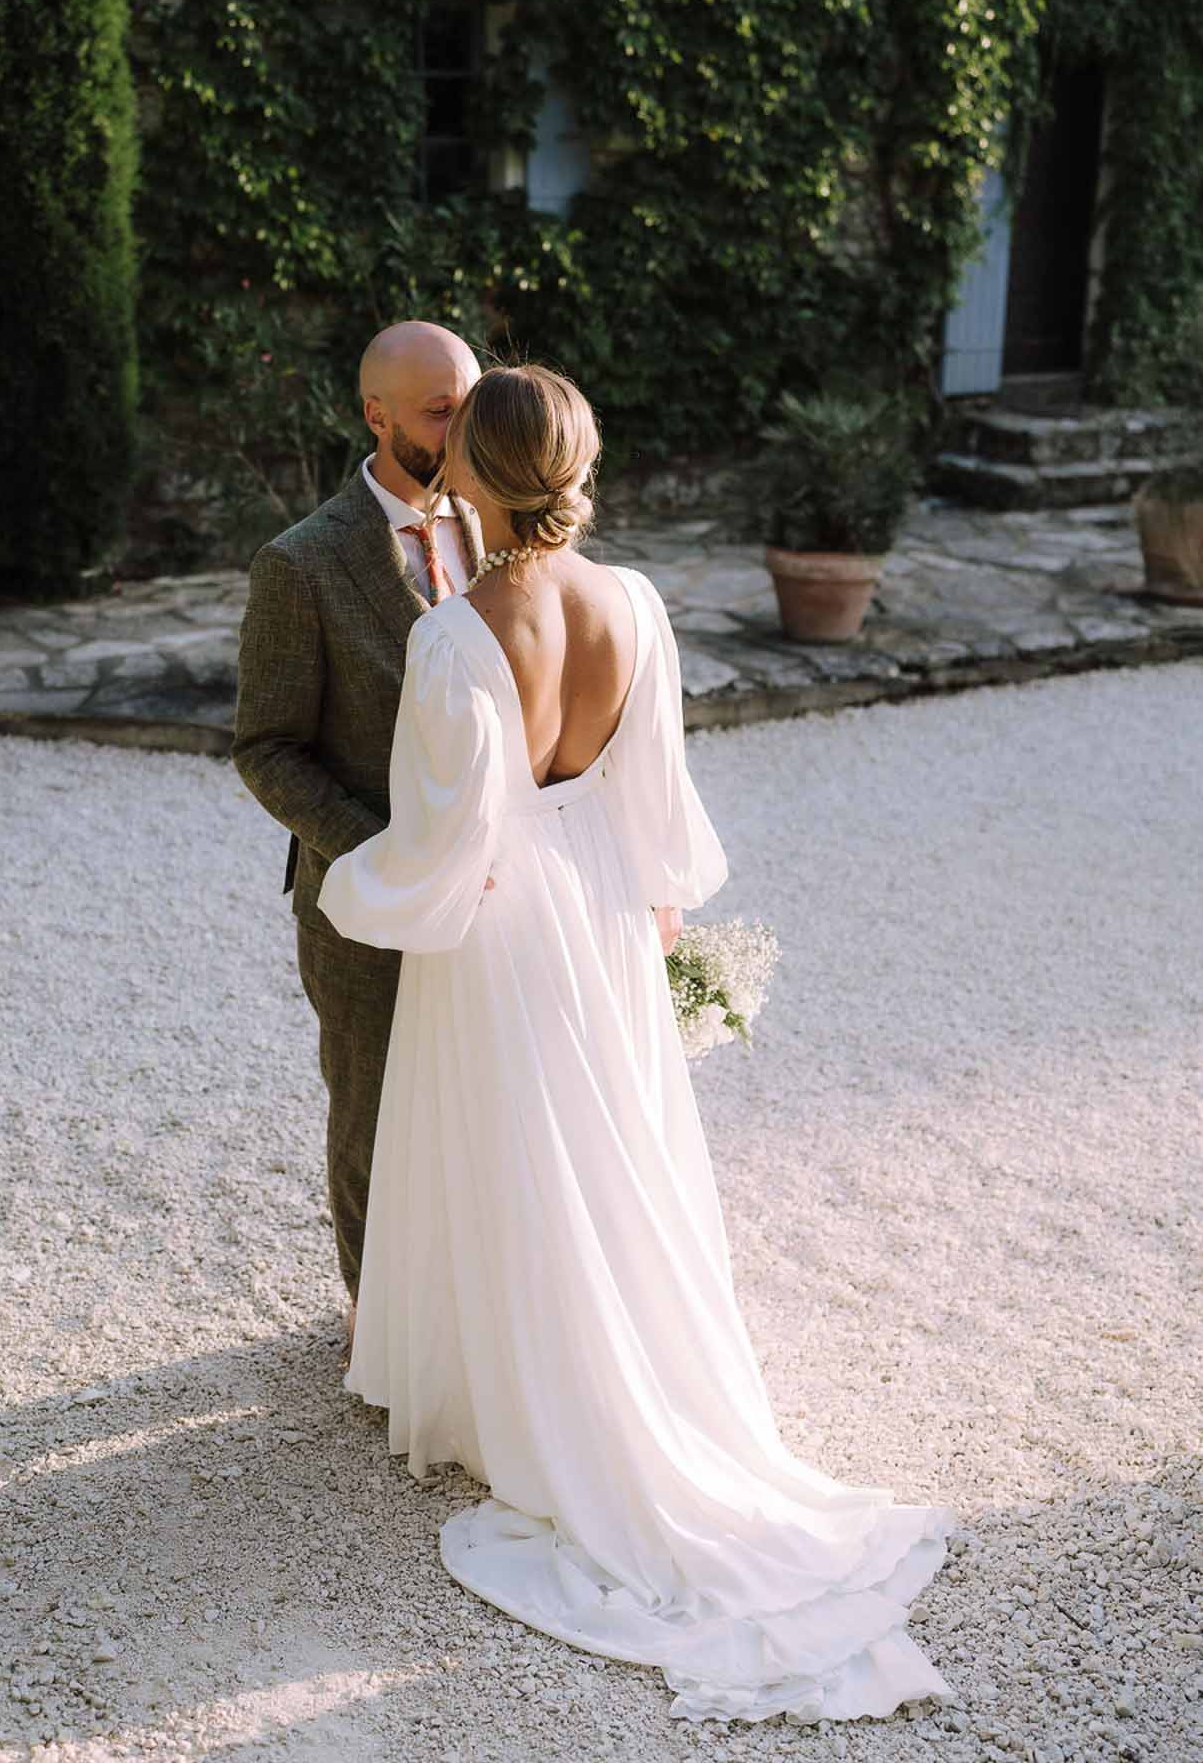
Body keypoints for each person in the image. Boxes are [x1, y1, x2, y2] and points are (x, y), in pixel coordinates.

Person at [315, 362, 957, 1727]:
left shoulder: (454, 633)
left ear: (467, 474)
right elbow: (661, 811)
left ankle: (525, 1404)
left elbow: (440, 849)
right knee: (604, 1147)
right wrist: (645, 913)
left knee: (511, 1150)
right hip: (600, 908)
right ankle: (615, 1377)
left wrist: (348, 887)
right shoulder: (639, 604)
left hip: (500, 927)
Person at [233, 319, 486, 1350]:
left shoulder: (504, 524)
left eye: (473, 400)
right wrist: (386, 853)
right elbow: (268, 749)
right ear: (374, 414)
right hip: (365, 898)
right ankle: (382, 1338)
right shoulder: (300, 565)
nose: (466, 425)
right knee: (375, 1116)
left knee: (478, 1102)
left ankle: (466, 1311)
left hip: (496, 894)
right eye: (440, 410)